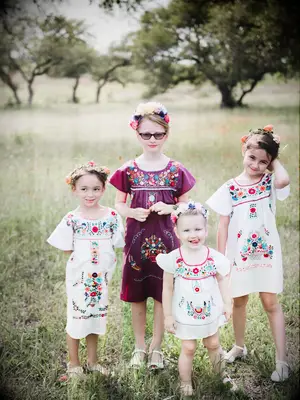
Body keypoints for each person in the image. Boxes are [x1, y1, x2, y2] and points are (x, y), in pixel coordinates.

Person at [109, 102, 196, 369]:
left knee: (162, 294)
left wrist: (171, 207)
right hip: (136, 242)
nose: (152, 139)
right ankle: (139, 348)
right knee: (137, 296)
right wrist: (132, 212)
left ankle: (156, 348)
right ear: (136, 133)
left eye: (158, 134)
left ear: (166, 134)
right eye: (146, 134)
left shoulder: (176, 169)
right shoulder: (129, 169)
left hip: (167, 243)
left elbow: (186, 207)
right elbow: (119, 204)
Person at [206, 125, 290, 382]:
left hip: (265, 256)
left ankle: (282, 360)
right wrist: (221, 260)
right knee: (239, 301)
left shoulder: (269, 182)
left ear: (270, 163)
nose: (256, 165)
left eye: (263, 161)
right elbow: (222, 225)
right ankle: (240, 346)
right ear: (243, 151)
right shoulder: (229, 188)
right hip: (238, 257)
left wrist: (274, 162)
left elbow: (284, 180)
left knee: (270, 303)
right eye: (252, 157)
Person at [47, 161, 124, 378]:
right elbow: (66, 248)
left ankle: (92, 361)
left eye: (96, 189)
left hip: (101, 279)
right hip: (79, 279)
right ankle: (73, 364)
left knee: (95, 317)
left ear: (103, 189)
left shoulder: (111, 217)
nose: (90, 194)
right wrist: (83, 263)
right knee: (77, 316)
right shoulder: (72, 219)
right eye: (84, 189)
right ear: (74, 190)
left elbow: (117, 244)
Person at [156, 201, 233, 396]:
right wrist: (168, 316)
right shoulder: (174, 258)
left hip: (209, 309)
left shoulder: (212, 257)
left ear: (206, 230)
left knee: (213, 344)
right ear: (177, 232)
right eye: (187, 230)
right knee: (188, 347)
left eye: (198, 229)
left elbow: (222, 280)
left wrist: (227, 302)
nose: (193, 235)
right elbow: (167, 288)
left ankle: (222, 375)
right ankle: (185, 382)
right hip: (184, 312)